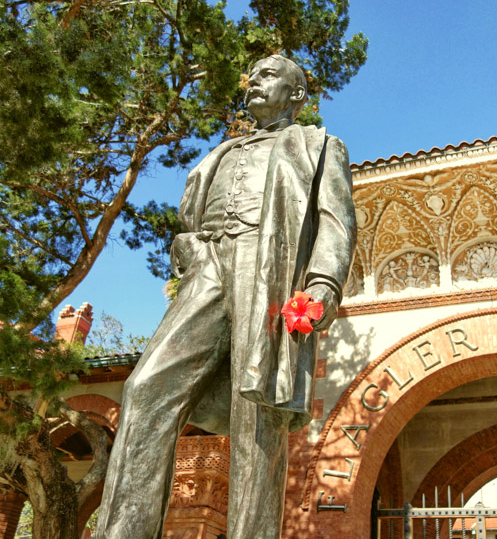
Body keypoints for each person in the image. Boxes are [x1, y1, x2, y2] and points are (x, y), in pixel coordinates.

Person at [95, 55, 357, 539]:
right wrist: (189, 247)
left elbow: (336, 222)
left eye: (268, 76)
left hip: (268, 269)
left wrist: (324, 283)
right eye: (251, 77)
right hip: (208, 265)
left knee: (255, 414)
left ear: (297, 94)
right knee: (146, 387)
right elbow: (191, 216)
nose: (254, 82)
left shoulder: (318, 145)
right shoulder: (220, 153)